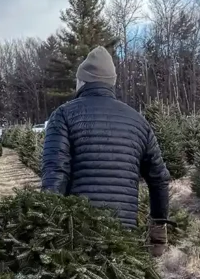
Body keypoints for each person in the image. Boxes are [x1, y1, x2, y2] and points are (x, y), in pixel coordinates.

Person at [41, 46, 171, 256]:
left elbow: (56, 174)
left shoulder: (63, 116)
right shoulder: (138, 122)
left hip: (77, 238)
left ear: (82, 81)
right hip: (123, 239)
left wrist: (45, 230)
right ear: (111, 83)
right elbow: (159, 179)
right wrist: (158, 232)